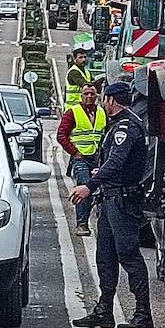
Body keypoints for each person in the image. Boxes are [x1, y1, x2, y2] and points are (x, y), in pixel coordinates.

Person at [69, 82, 152, 328]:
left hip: (122, 200)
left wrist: (89, 186)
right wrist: (100, 173)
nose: (103, 104)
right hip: (111, 198)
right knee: (105, 255)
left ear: (112, 100)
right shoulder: (119, 124)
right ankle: (104, 310)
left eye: (105, 99)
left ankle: (143, 314)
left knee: (128, 254)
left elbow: (117, 162)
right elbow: (114, 163)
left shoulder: (126, 126)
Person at [56, 83, 105, 235]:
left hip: (98, 159)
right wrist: (74, 152)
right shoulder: (73, 112)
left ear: (96, 95)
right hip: (81, 158)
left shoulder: (102, 112)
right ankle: (82, 223)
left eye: (92, 94)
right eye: (86, 94)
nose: (89, 96)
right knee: (84, 186)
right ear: (81, 96)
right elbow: (61, 135)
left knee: (100, 188)